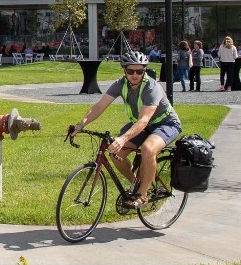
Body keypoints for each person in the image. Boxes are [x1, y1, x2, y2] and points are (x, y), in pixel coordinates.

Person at [71, 51, 182, 209]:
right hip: (142, 125)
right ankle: (136, 184)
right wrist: (81, 124)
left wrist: (123, 138)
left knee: (148, 149)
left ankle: (142, 195)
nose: (135, 75)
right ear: (124, 70)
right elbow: (99, 106)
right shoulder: (120, 84)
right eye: (130, 71)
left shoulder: (152, 88)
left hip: (166, 124)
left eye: (139, 71)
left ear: (144, 70)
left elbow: (144, 120)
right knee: (115, 153)